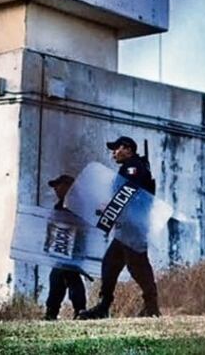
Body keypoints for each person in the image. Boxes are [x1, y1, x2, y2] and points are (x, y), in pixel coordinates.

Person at [78, 136, 160, 319]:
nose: (113, 153)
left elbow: (127, 193)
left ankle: (152, 307)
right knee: (110, 264)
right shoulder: (134, 166)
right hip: (127, 227)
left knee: (137, 266)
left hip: (133, 227)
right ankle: (104, 306)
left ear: (128, 149)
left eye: (117, 148)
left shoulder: (133, 167)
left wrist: (111, 210)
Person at [43, 174, 88, 320]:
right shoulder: (60, 205)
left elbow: (81, 227)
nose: (55, 188)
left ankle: (74, 310)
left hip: (73, 248)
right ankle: (59, 311)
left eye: (58, 185)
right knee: (61, 277)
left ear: (68, 187)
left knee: (66, 276)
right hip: (61, 249)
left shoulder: (77, 204)